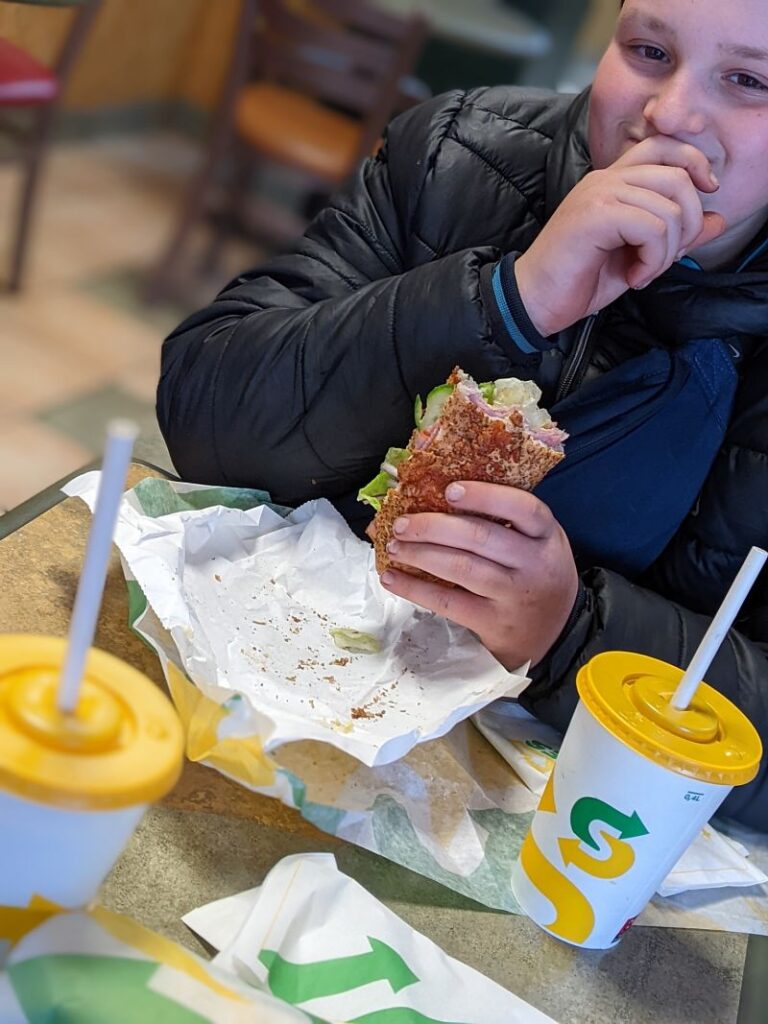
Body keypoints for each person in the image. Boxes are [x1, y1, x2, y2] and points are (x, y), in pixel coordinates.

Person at [158, 0, 768, 829]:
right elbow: (204, 412)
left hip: (557, 830)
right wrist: (506, 300)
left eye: (748, 79)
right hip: (258, 691)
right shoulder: (459, 152)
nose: (667, 114)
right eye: (649, 50)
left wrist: (570, 631)